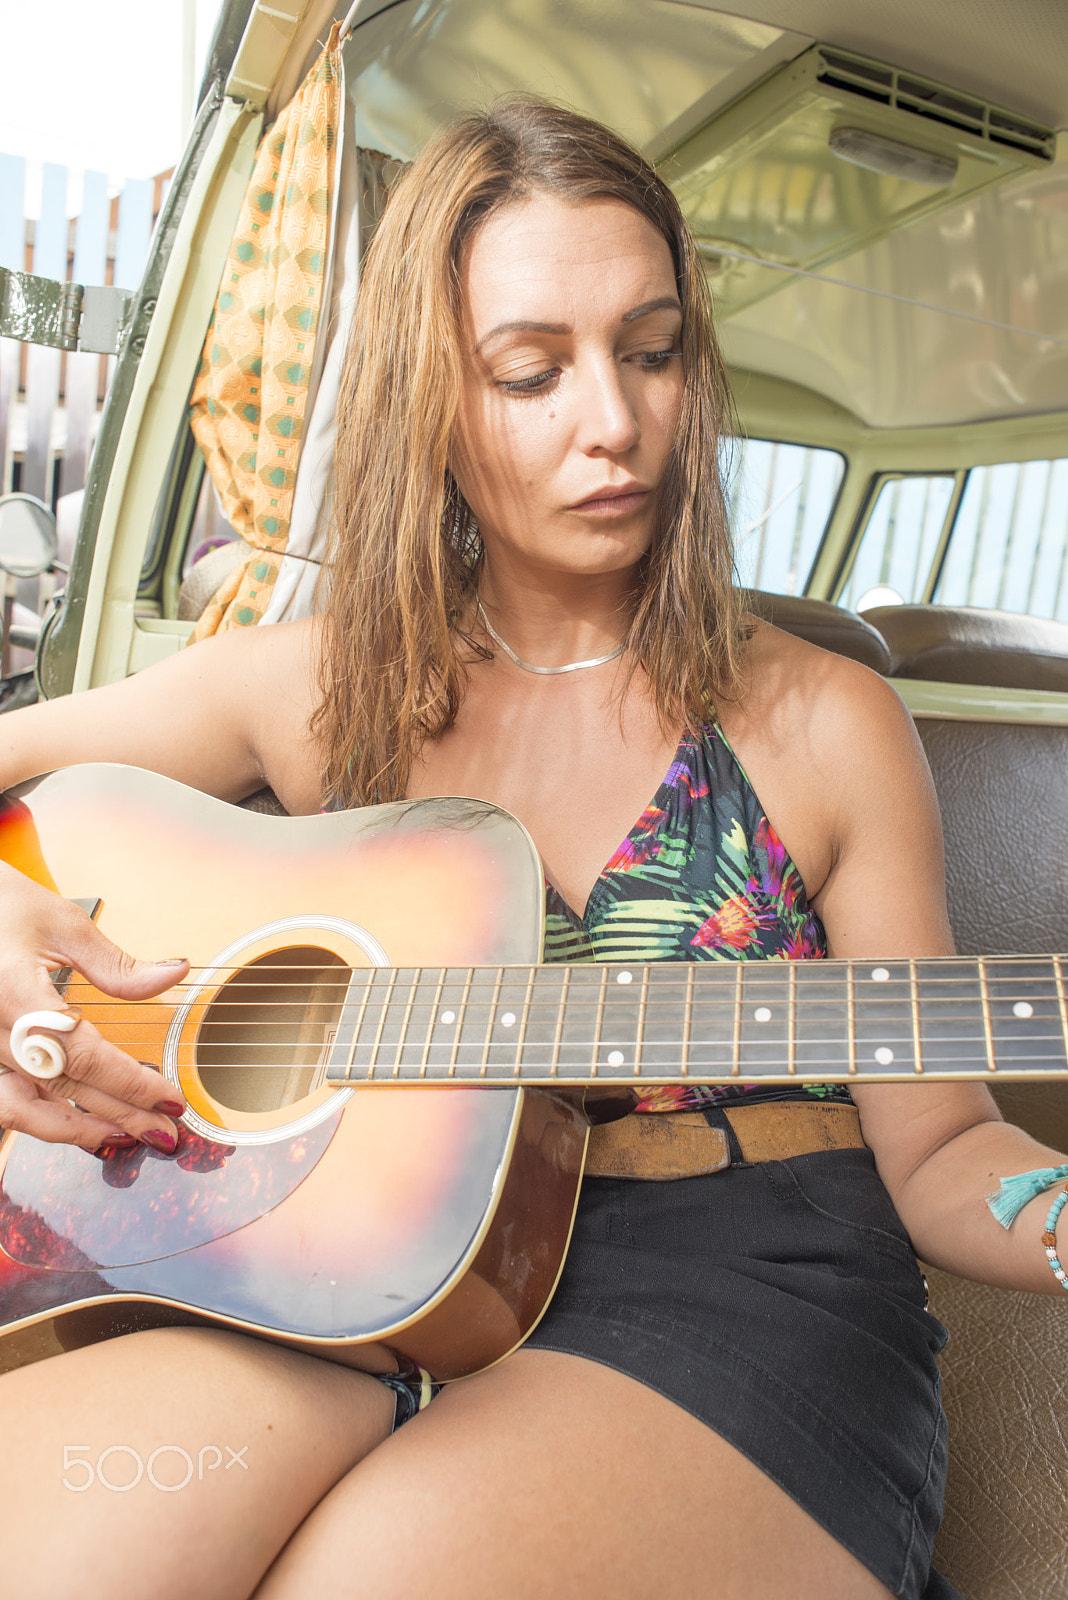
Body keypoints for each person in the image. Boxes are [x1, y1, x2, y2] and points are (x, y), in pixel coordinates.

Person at [0, 98, 1062, 1600]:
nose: (614, 422)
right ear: (433, 396)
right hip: (342, 1273)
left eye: (650, 350)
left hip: (733, 1290)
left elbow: (949, 1147)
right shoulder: (319, 683)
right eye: (530, 371)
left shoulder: (828, 723)